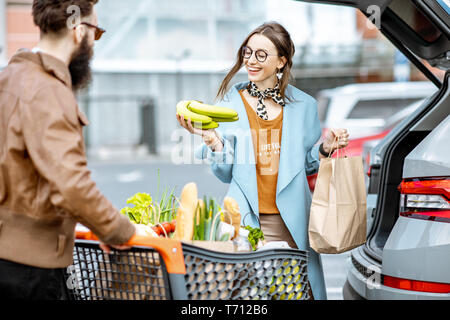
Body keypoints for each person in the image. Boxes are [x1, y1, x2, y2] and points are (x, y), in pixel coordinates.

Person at [176, 21, 349, 300]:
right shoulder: (230, 104)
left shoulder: (304, 106)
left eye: (261, 54)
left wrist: (325, 149)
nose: (251, 61)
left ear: (281, 61)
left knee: (298, 293)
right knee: (246, 297)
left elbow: (303, 165)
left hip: (293, 222)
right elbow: (225, 173)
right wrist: (211, 139)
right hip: (245, 221)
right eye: (247, 52)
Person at [0, 0, 140, 300]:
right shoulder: (49, 92)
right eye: (96, 33)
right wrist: (121, 231)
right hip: (32, 268)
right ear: (79, 31)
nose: (94, 43)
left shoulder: (8, 79)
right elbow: (71, 185)